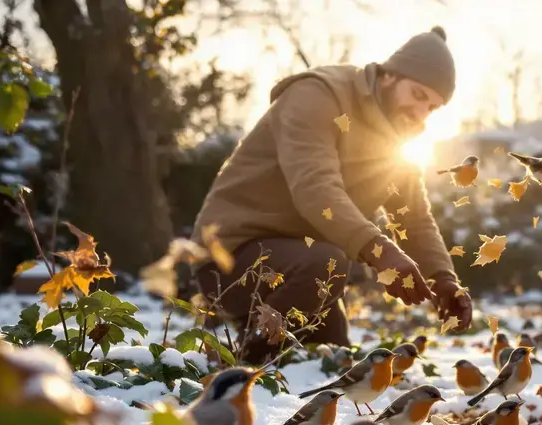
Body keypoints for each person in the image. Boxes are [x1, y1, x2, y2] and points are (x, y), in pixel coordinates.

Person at [191, 26, 472, 364]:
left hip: (303, 265)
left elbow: (413, 217)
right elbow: (314, 188)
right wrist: (380, 250)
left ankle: (259, 350)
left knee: (332, 353)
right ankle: (244, 367)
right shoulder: (318, 95)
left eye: (432, 107)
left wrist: (443, 279)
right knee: (326, 265)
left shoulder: (398, 136)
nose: (421, 113)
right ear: (388, 76)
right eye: (417, 95)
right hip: (230, 256)